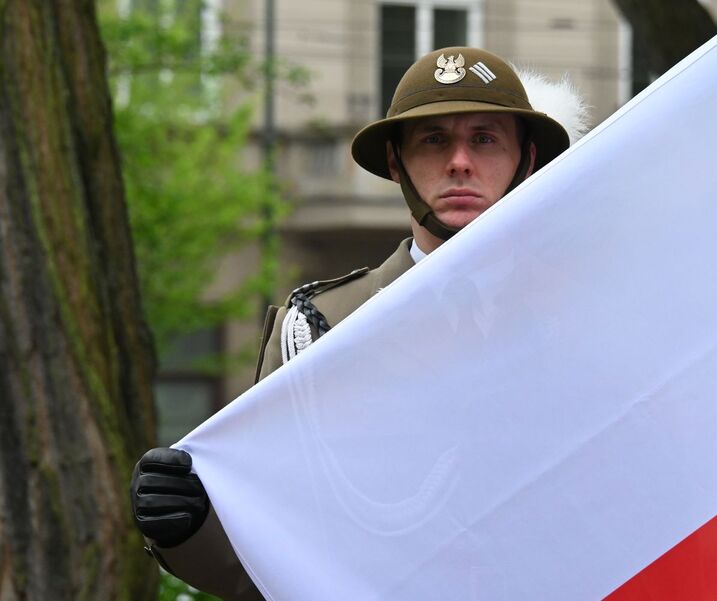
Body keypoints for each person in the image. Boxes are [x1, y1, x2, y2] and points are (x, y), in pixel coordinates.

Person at [130, 46, 586, 599]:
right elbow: (279, 555)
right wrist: (191, 528)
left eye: (485, 139)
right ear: (396, 163)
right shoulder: (317, 330)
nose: (460, 162)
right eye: (434, 140)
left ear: (528, 159)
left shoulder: (583, 322)